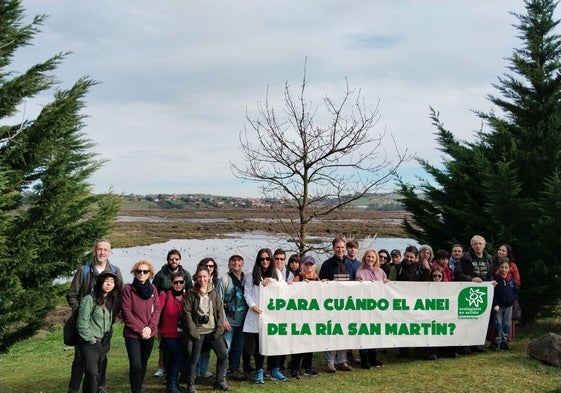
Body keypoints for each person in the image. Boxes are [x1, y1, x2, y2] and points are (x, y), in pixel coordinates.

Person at [66, 239, 123, 393]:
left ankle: (100, 386)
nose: (102, 252)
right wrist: (82, 312)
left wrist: (111, 315)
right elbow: (71, 294)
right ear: (94, 251)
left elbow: (119, 296)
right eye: (99, 249)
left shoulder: (115, 271)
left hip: (104, 324)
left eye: (105, 250)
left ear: (110, 252)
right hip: (85, 325)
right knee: (79, 358)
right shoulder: (84, 270)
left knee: (102, 358)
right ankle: (74, 387)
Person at [182, 266, 231, 393]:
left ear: (209, 277)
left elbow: (220, 310)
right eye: (199, 277)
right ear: (196, 278)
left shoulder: (213, 292)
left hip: (213, 331)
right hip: (197, 332)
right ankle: (191, 384)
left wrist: (219, 329)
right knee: (193, 358)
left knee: (223, 355)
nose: (202, 279)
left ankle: (220, 380)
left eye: (204, 276)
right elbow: (186, 312)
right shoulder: (191, 293)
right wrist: (193, 331)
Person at [243, 248, 287, 384]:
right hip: (257, 313)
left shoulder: (277, 273)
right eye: (262, 259)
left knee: (274, 342)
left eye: (267, 258)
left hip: (273, 315)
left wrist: (272, 281)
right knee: (259, 345)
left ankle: (274, 369)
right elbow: (247, 293)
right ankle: (259, 371)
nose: (265, 261)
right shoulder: (251, 275)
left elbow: (283, 289)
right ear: (258, 260)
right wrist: (252, 305)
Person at [76, 270, 120, 393]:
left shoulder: (111, 300)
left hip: (104, 343)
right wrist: (91, 340)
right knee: (92, 372)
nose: (109, 284)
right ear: (100, 282)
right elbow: (82, 323)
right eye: (106, 281)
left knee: (97, 374)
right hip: (90, 343)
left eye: (112, 281)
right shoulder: (89, 299)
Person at [152, 249, 193, 378]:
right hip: (165, 307)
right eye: (171, 259)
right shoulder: (160, 274)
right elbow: (154, 291)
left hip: (180, 307)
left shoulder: (185, 273)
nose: (174, 261)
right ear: (168, 260)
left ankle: (178, 372)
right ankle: (162, 367)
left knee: (180, 347)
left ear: (179, 260)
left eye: (176, 258)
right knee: (164, 344)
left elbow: (190, 290)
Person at [121, 260, 161, 393]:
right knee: (136, 364)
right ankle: (136, 390)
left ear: (150, 274)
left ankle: (138, 387)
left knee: (143, 364)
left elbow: (157, 309)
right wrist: (141, 329)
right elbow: (126, 312)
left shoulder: (153, 289)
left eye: (145, 271)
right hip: (133, 334)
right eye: (139, 271)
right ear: (134, 272)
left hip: (150, 333)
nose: (142, 274)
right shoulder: (128, 290)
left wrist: (149, 327)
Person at [319, 237, 356, 373]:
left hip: (347, 304)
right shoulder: (326, 264)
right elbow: (320, 283)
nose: (340, 250)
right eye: (337, 247)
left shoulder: (351, 264)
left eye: (342, 247)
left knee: (344, 333)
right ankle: (330, 361)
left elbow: (356, 283)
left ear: (345, 248)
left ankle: (342, 360)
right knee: (330, 332)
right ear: (333, 248)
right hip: (331, 304)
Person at [288, 255, 320, 378]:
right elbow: (291, 293)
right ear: (303, 266)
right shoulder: (298, 278)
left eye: (311, 264)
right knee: (298, 343)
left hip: (312, 316)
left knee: (309, 343)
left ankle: (308, 367)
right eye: (306, 264)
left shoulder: (317, 279)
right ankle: (294, 367)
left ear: (314, 266)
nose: (308, 266)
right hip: (299, 316)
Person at [355, 249, 387, 369]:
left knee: (374, 331)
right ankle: (364, 359)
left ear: (376, 259)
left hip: (377, 307)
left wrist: (387, 284)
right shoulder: (360, 272)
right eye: (368, 257)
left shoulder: (381, 272)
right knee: (364, 332)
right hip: (364, 307)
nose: (370, 259)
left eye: (373, 257)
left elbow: (385, 289)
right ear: (365, 258)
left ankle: (373, 357)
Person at [219, 254, 249, 381]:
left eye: (239, 260)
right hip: (229, 322)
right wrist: (223, 319)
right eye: (233, 261)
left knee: (238, 348)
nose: (236, 263)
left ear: (243, 263)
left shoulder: (247, 278)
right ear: (229, 264)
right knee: (226, 349)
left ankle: (234, 370)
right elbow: (219, 302)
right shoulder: (224, 280)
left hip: (243, 321)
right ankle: (222, 374)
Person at [158, 272, 187, 393]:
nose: (178, 285)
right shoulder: (165, 296)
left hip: (183, 335)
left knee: (178, 360)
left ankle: (174, 383)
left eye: (181, 282)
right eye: (176, 282)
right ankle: (171, 386)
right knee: (177, 358)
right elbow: (157, 313)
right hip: (168, 334)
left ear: (185, 283)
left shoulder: (187, 297)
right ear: (171, 283)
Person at [195, 258, 220, 379]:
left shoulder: (217, 283)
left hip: (212, 324)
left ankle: (203, 370)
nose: (209, 268)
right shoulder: (196, 284)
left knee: (207, 349)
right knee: (196, 350)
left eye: (211, 266)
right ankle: (195, 372)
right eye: (206, 266)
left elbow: (219, 305)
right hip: (198, 327)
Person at [491, 257, 519, 350]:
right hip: (498, 307)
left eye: (506, 268)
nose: (504, 269)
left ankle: (504, 341)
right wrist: (495, 304)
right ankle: (496, 342)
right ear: (498, 268)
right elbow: (493, 293)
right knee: (498, 324)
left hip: (509, 306)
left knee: (506, 324)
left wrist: (513, 299)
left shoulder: (511, 279)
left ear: (509, 269)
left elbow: (516, 290)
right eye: (501, 267)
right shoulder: (495, 279)